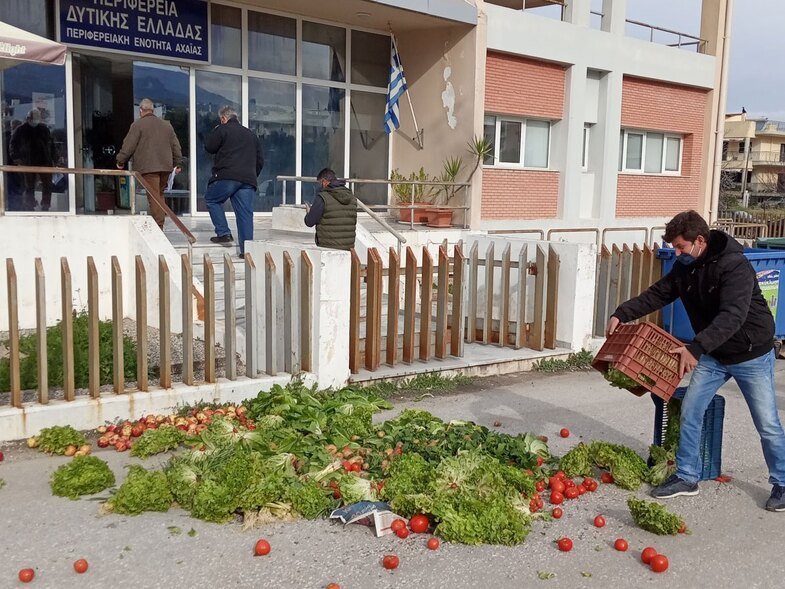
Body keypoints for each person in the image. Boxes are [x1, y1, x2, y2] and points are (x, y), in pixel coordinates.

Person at [606, 210, 785, 512]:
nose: (676, 253)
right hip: (715, 354)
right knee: (690, 409)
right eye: (674, 248)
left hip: (750, 353)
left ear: (699, 240)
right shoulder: (685, 267)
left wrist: (696, 348)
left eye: (680, 247)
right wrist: (621, 313)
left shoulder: (734, 266)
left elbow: (732, 316)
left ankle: (781, 481)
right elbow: (658, 294)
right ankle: (687, 476)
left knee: (766, 422)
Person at [203, 106, 264, 258]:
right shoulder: (251, 134)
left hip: (227, 176)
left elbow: (209, 147)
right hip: (248, 180)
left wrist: (216, 130)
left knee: (211, 199)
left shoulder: (222, 129)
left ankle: (223, 232)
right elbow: (260, 160)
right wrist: (251, 175)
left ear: (223, 118)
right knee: (245, 215)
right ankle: (246, 251)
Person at [116, 98, 182, 229]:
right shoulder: (166, 125)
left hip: (148, 167)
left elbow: (128, 145)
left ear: (141, 111)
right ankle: (159, 222)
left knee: (153, 196)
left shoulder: (138, 125)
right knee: (159, 194)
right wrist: (178, 163)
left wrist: (120, 160)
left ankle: (159, 226)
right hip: (165, 167)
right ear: (153, 110)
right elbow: (176, 146)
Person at [9, 109, 55, 211]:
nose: (35, 120)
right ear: (28, 118)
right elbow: (13, 145)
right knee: (29, 186)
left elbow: (51, 145)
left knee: (47, 184)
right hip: (27, 162)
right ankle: (29, 205)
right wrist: (17, 159)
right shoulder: (20, 130)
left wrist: (53, 158)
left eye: (37, 118)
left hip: (44, 161)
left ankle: (45, 205)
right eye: (33, 118)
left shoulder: (44, 129)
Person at [303, 168, 357, 251]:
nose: (319, 186)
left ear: (324, 182)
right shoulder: (352, 197)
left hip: (328, 248)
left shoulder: (322, 197)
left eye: (319, 183)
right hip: (348, 248)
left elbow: (310, 222)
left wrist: (308, 213)